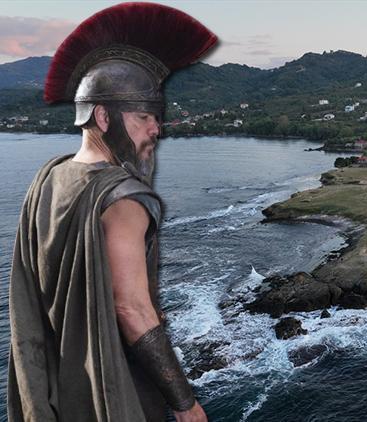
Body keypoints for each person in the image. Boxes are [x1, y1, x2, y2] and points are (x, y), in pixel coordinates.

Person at [6, 3, 217, 421]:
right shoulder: (123, 199)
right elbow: (131, 309)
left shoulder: (47, 178)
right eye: (143, 117)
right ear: (103, 116)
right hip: (114, 392)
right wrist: (185, 403)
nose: (156, 129)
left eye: (156, 118)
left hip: (61, 390)